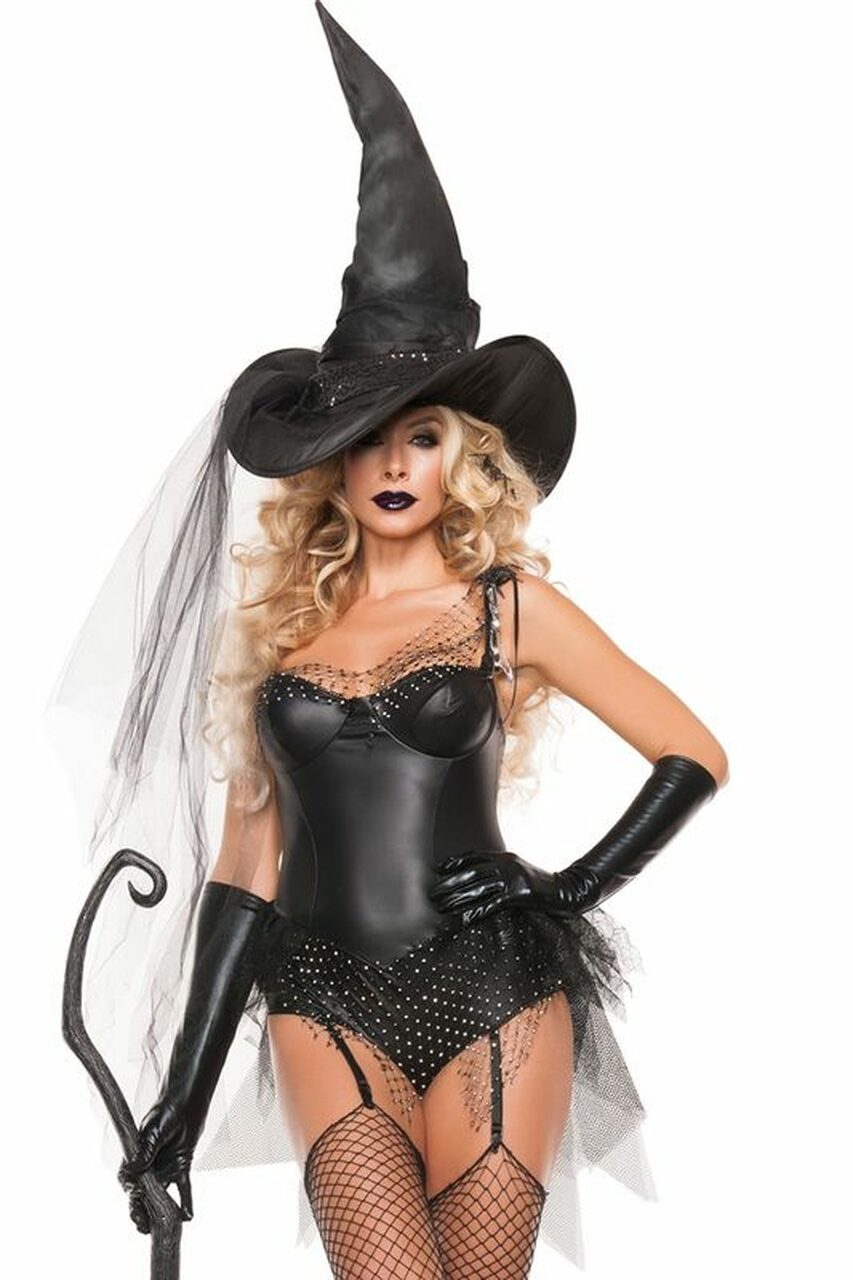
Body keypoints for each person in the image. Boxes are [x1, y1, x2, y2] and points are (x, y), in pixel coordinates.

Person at [53, 5, 727, 1277]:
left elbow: (691, 751)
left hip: (494, 989)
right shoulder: (284, 631)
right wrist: (181, 1097)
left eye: (419, 435)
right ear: (332, 462)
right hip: (321, 997)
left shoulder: (507, 608)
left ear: (457, 454)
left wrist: (565, 888)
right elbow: (245, 869)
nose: (393, 462)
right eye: (365, 439)